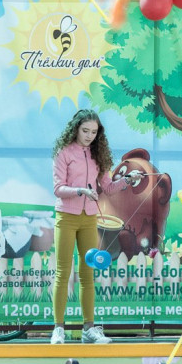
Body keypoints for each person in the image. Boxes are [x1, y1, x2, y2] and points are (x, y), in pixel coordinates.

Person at [51, 109, 141, 344]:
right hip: (66, 216)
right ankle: (58, 328)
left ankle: (88, 329)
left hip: (89, 218)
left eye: (94, 132)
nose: (89, 136)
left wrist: (127, 180)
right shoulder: (64, 153)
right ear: (75, 129)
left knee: (87, 273)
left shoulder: (97, 154)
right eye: (85, 131)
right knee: (63, 272)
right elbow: (58, 188)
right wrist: (81, 190)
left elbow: (108, 188)